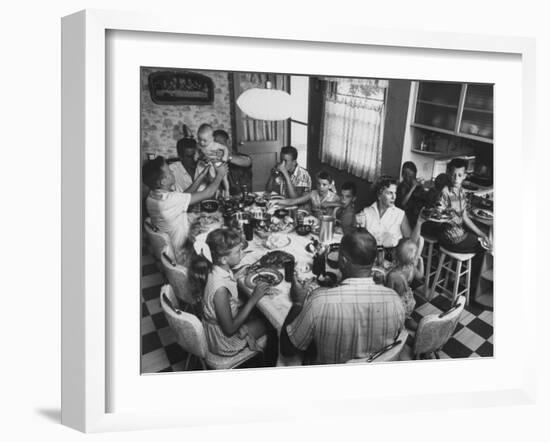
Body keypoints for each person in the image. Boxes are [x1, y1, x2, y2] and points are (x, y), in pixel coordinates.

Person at [279, 228, 406, 365]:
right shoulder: (395, 301)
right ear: (373, 261)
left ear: (344, 261)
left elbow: (287, 350)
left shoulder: (319, 302)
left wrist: (298, 303)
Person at [190, 228, 276, 364]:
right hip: (224, 341)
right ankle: (267, 364)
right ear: (224, 259)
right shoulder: (220, 290)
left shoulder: (214, 268)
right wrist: (254, 298)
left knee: (255, 312)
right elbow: (230, 330)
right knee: (270, 323)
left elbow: (223, 280)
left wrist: (236, 275)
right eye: (238, 252)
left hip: (219, 327)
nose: (242, 254)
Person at [142, 156, 228, 263]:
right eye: (169, 171)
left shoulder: (153, 196)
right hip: (185, 253)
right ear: (164, 182)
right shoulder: (169, 200)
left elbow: (184, 196)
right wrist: (220, 175)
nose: (172, 171)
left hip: (174, 247)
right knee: (224, 243)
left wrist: (202, 175)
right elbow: (208, 193)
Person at [356, 177, 422, 249]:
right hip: (369, 254)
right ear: (379, 195)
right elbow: (359, 239)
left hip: (391, 257)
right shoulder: (366, 212)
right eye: (390, 193)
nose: (394, 197)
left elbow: (410, 243)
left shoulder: (400, 214)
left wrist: (419, 222)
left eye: (395, 193)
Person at [386, 238, 424, 331]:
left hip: (398, 304)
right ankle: (408, 320)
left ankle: (399, 329)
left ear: (395, 254)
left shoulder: (392, 275)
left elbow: (388, 293)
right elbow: (420, 276)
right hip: (409, 301)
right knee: (405, 314)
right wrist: (421, 261)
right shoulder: (412, 268)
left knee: (393, 316)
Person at [268, 170, 340, 217]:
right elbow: (294, 201)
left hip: (327, 225)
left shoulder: (335, 198)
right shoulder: (313, 194)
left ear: (330, 185)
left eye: (324, 185)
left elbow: (344, 206)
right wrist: (277, 201)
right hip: (313, 222)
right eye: (318, 184)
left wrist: (330, 204)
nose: (320, 187)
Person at [213, 129, 253, 195]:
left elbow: (247, 161)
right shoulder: (216, 162)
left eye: (220, 144)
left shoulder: (243, 157)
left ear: (228, 142)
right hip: (226, 200)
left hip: (244, 198)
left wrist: (226, 156)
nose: (217, 148)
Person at [196, 123, 231, 197]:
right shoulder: (199, 145)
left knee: (224, 177)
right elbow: (198, 153)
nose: (202, 142)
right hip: (209, 164)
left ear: (212, 138)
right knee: (212, 180)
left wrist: (224, 158)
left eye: (204, 140)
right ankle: (216, 192)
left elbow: (225, 149)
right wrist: (199, 157)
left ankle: (227, 190)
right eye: (199, 139)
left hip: (218, 162)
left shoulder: (215, 145)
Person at [396, 161, 427, 227]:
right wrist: (412, 188)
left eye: (413, 176)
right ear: (404, 175)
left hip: (415, 216)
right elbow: (402, 204)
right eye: (409, 176)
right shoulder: (402, 186)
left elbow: (423, 201)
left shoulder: (416, 185)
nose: (412, 179)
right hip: (404, 216)